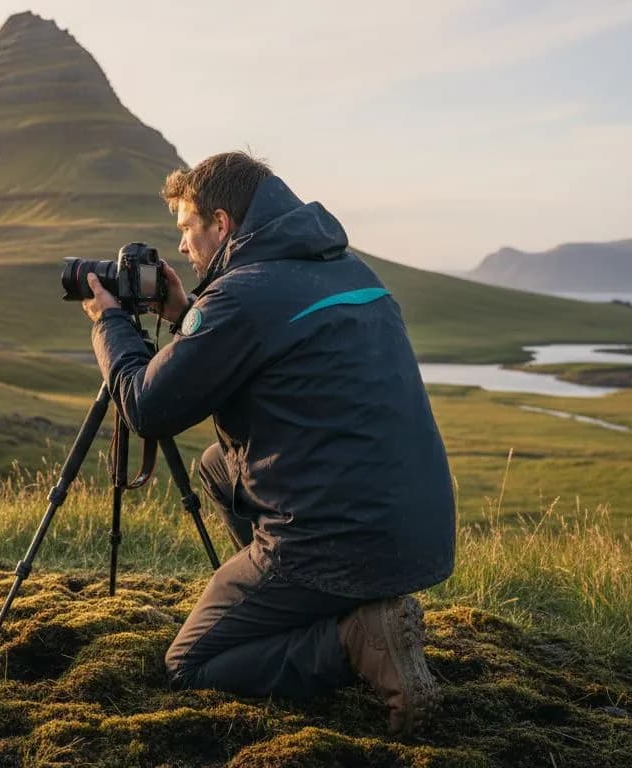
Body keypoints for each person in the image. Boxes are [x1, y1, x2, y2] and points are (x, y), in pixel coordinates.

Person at [79, 151, 455, 737]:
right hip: (414, 534)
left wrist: (110, 324)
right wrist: (185, 315)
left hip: (330, 539)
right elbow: (262, 346)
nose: (181, 247)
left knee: (191, 663)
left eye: (187, 229)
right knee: (216, 467)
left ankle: (352, 638)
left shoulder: (243, 295)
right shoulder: (351, 273)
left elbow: (148, 409)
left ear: (222, 224)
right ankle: (324, 606)